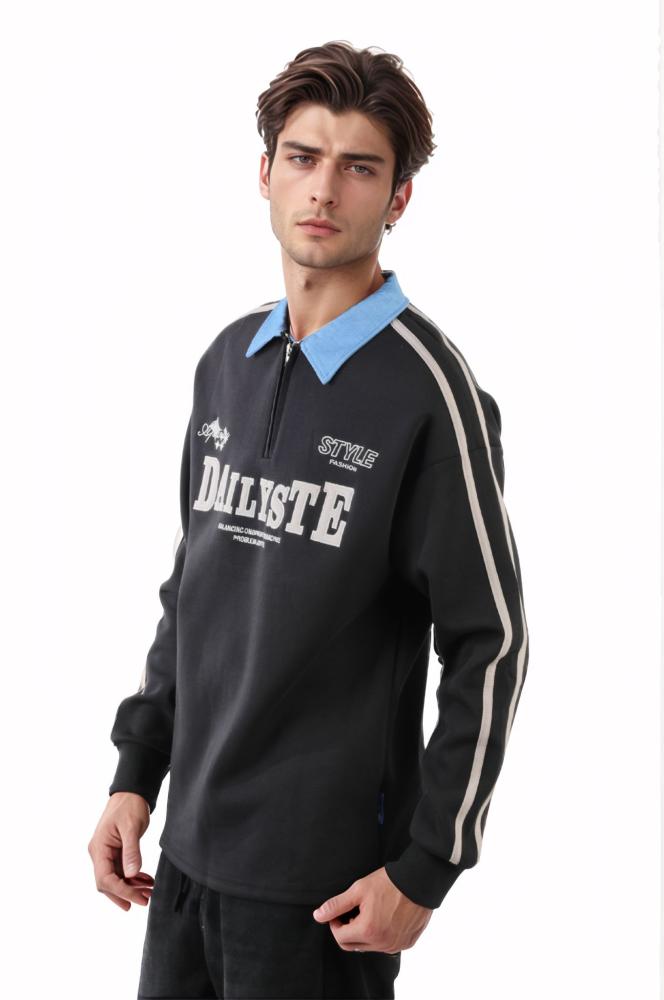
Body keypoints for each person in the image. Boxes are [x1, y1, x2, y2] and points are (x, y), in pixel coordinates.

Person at [88, 39, 530, 1000]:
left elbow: (491, 640)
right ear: (266, 173)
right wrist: (136, 774)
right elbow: (193, 590)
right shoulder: (226, 363)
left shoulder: (429, 393)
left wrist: (427, 868)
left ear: (398, 197)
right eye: (303, 157)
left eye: (359, 167)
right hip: (184, 865)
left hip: (323, 895)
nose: (324, 189)